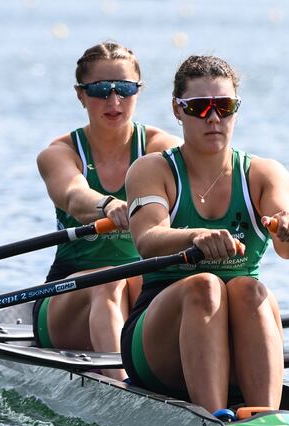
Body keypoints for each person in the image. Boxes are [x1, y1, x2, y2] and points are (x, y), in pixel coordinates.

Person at [122, 55, 289, 414]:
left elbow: (288, 251)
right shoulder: (151, 169)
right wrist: (196, 237)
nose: (213, 118)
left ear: (236, 110)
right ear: (178, 110)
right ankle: (212, 422)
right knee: (204, 285)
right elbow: (147, 240)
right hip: (159, 345)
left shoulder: (265, 174)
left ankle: (264, 420)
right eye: (199, 107)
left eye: (224, 107)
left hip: (240, 327)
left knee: (249, 288)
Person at [34, 41, 181, 380]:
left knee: (164, 283)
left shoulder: (165, 149)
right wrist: (107, 205)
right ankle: (120, 387)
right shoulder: (59, 153)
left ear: (138, 91)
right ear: (80, 95)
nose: (114, 102)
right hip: (69, 296)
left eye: (125, 90)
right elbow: (73, 195)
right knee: (110, 284)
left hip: (140, 286)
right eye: (101, 90)